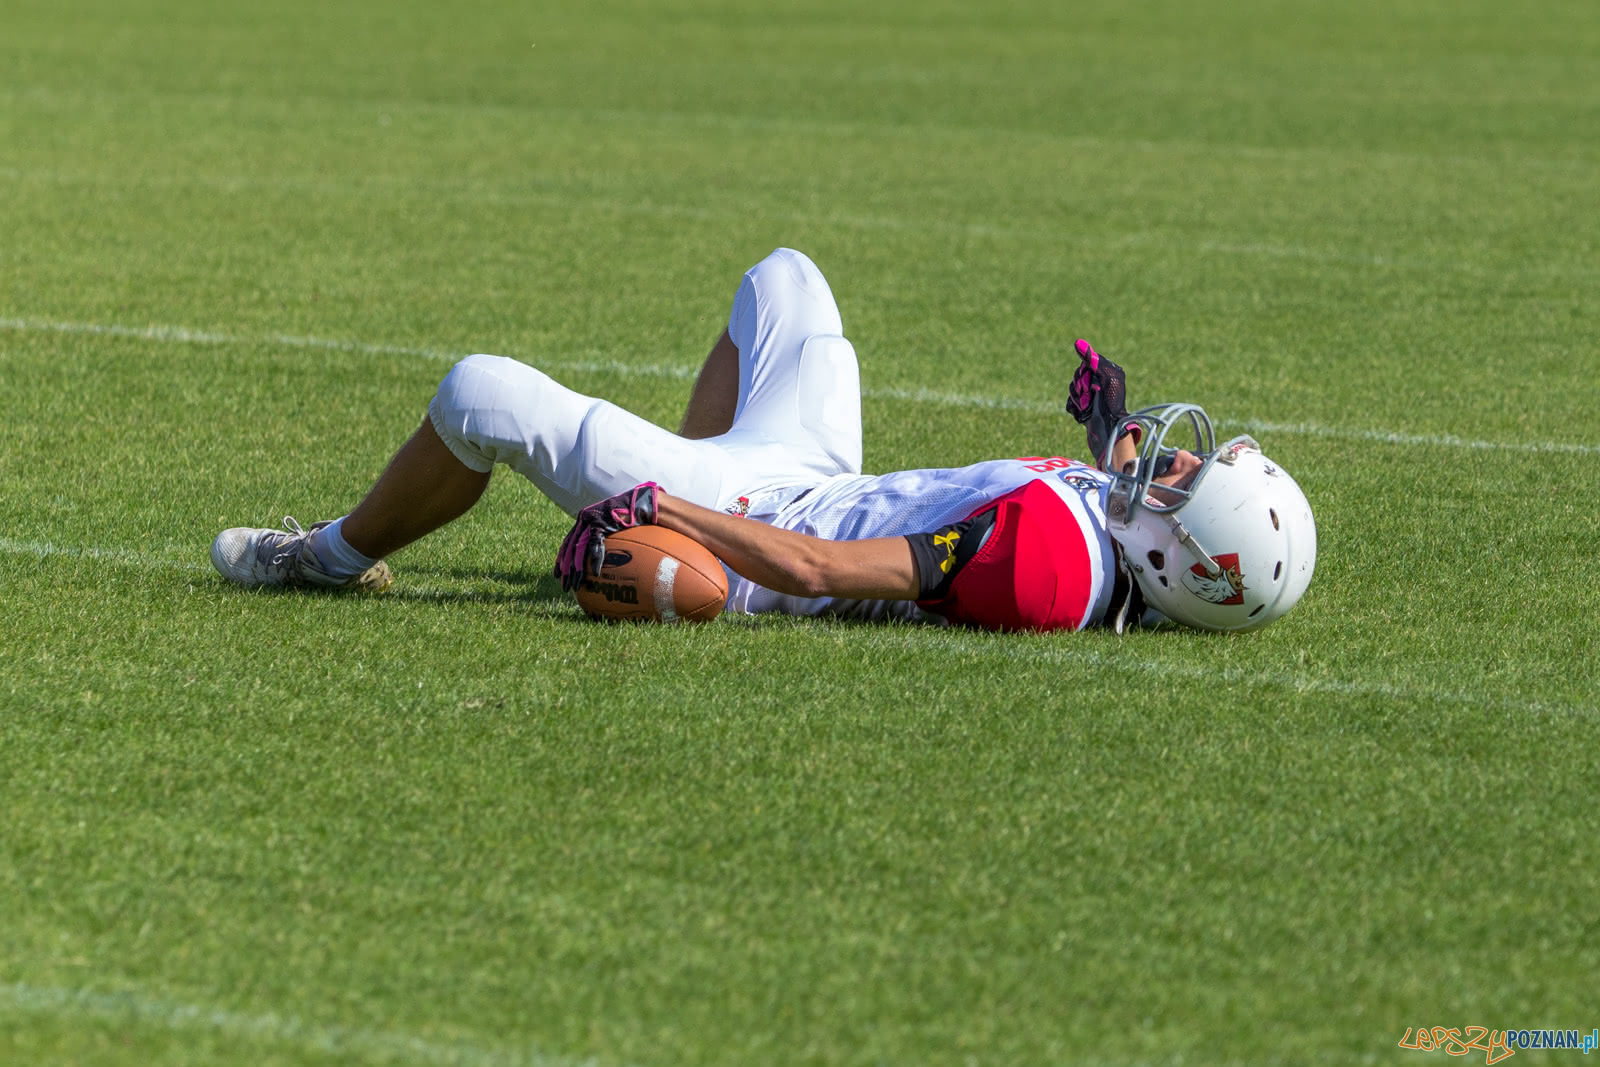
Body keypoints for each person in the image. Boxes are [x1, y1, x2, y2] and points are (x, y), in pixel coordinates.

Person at [211, 248, 1316, 632]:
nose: (1174, 458)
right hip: (811, 481)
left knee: (479, 393)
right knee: (785, 278)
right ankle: (669, 465)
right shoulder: (1135, 551)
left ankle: (325, 557)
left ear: (1179, 555)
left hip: (764, 530)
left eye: (1185, 476)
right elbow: (1118, 505)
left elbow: (822, 570)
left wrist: (670, 509)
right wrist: (1106, 425)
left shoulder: (1048, 567)